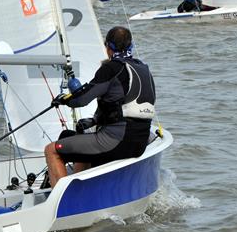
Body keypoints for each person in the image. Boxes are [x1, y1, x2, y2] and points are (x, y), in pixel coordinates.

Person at [43, 26, 156, 186]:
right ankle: (82, 190)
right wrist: (95, 120)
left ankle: (64, 204)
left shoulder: (110, 68)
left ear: (108, 47)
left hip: (116, 141)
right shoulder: (143, 69)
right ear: (130, 46)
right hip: (139, 143)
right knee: (82, 143)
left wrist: (64, 100)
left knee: (52, 150)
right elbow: (127, 105)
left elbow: (81, 100)